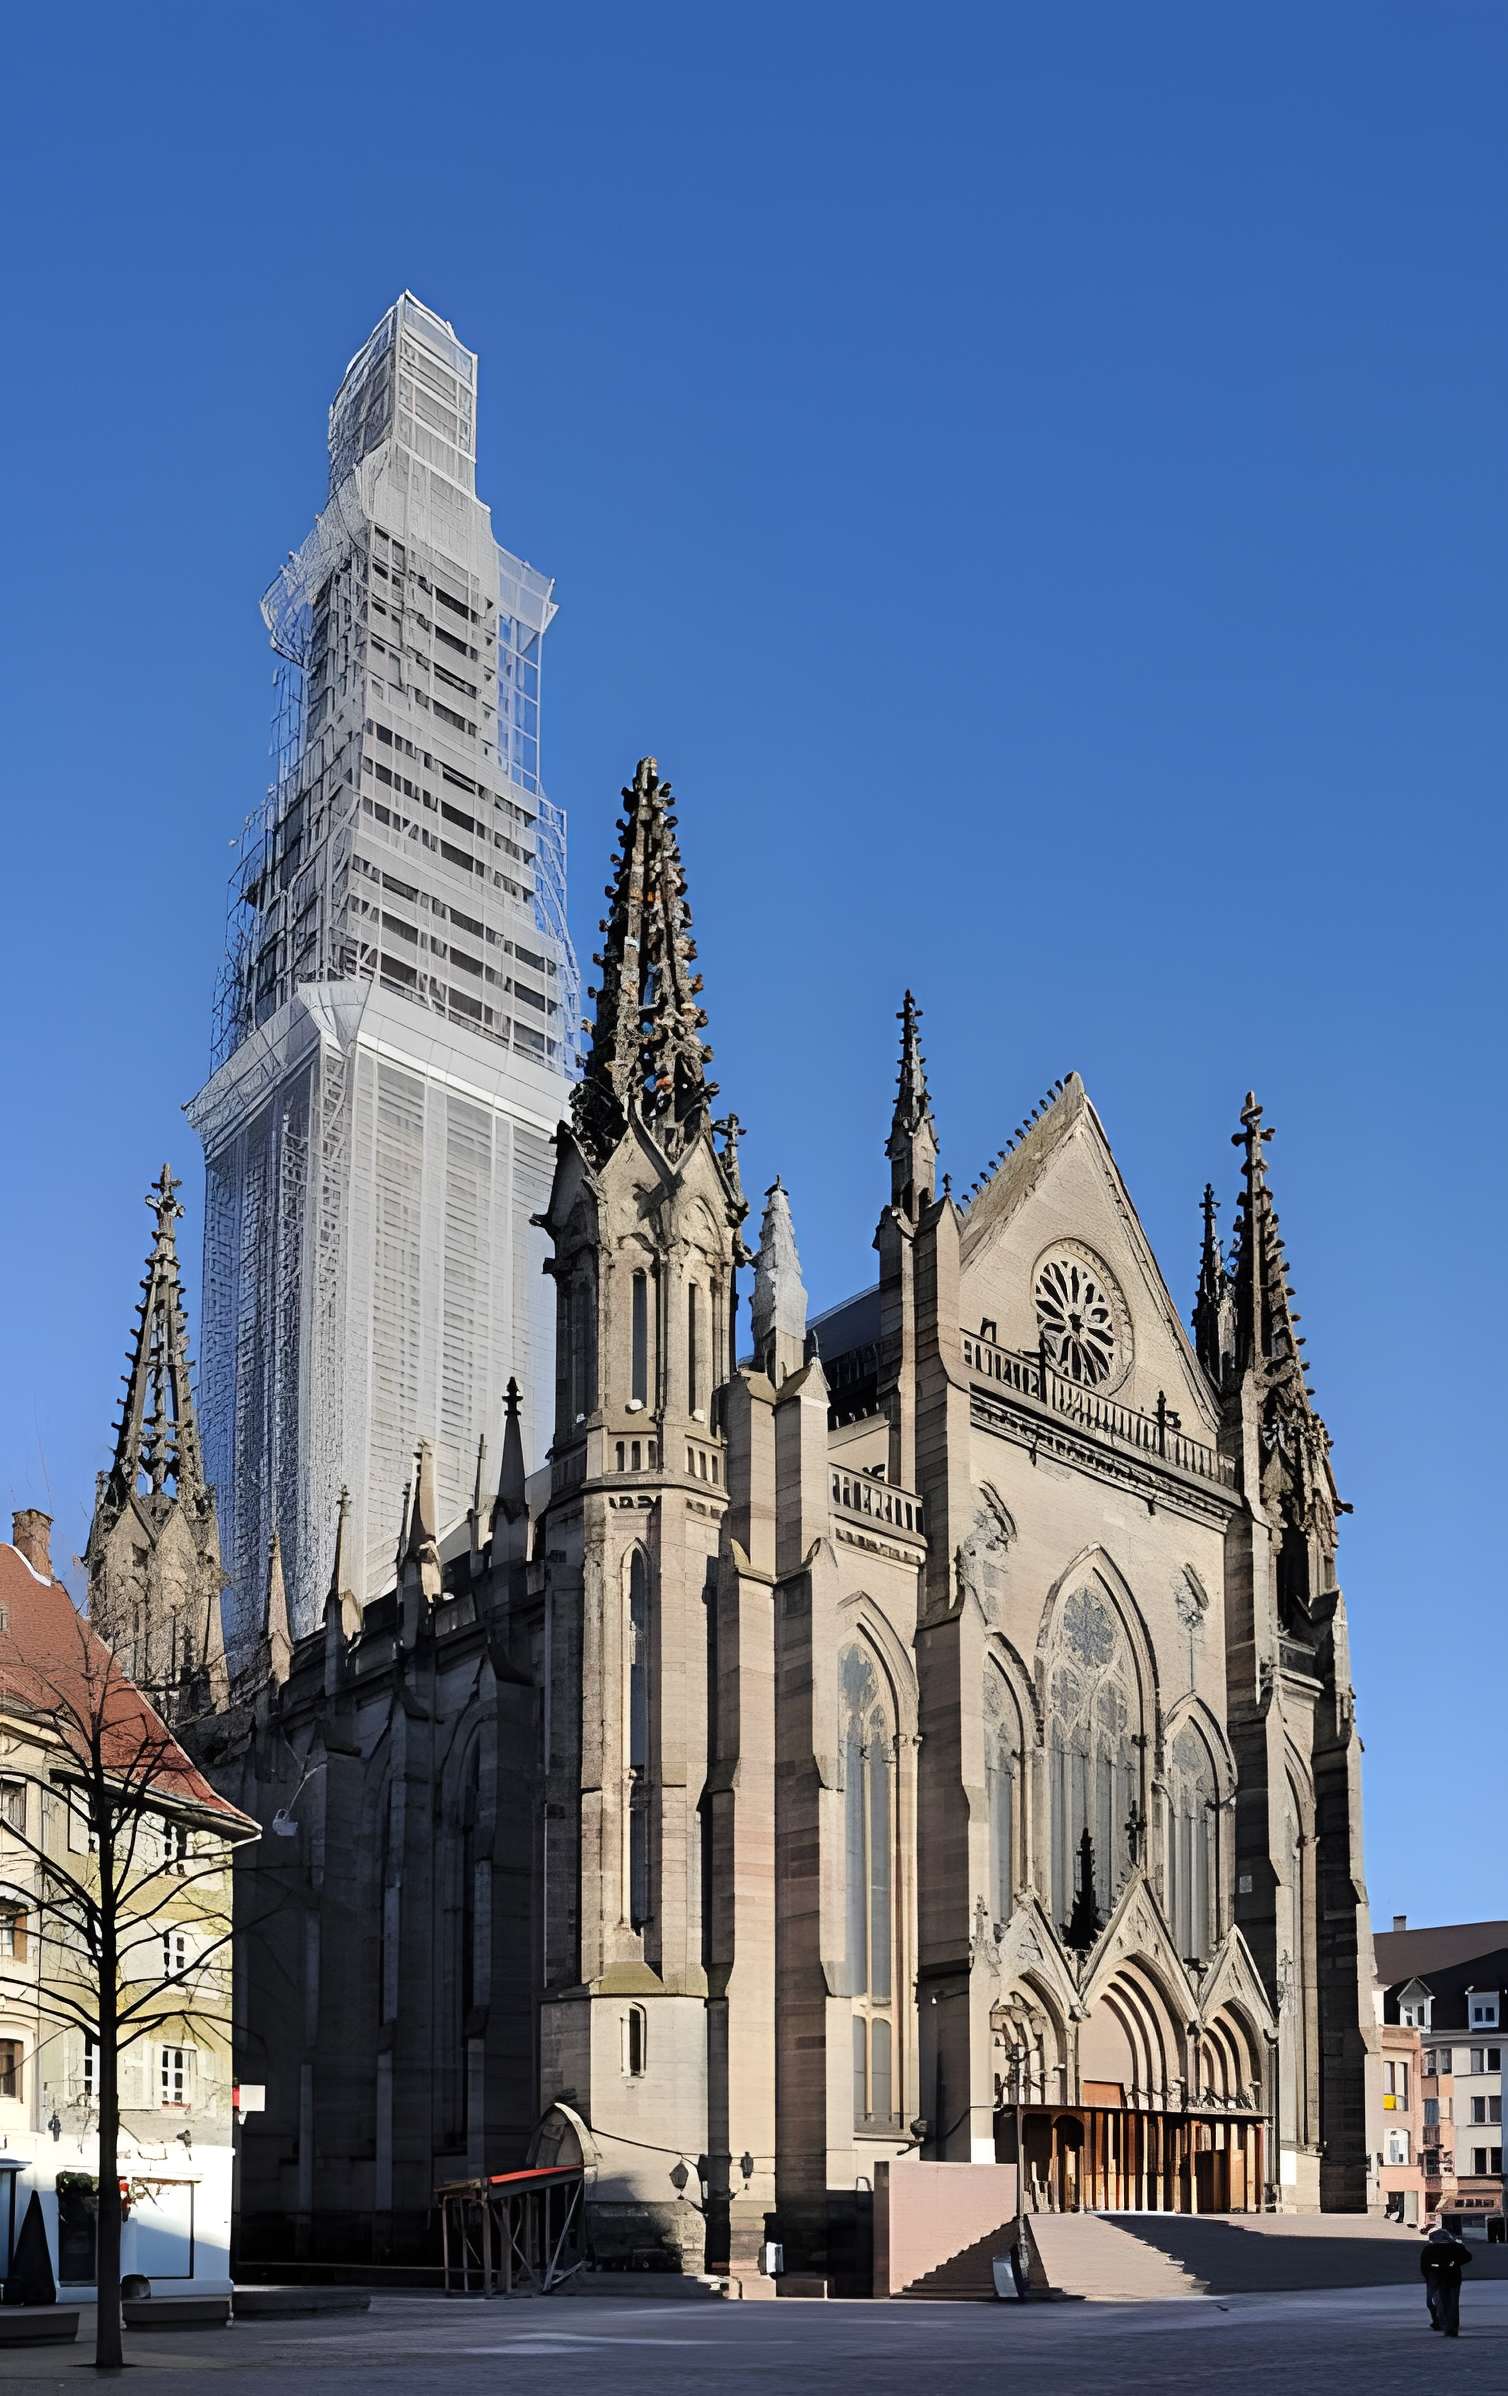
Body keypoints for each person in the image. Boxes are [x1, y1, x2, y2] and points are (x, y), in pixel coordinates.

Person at [1420, 2215, 1473, 2336]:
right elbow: (1467, 2257)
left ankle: (1443, 2323)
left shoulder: (1429, 2249)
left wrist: (1428, 2277)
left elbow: (1424, 2265)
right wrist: (1455, 2263)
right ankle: (1451, 2327)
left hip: (1436, 2277)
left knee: (1440, 2301)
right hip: (1453, 2276)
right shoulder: (1456, 2247)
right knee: (1453, 2302)